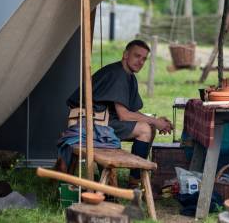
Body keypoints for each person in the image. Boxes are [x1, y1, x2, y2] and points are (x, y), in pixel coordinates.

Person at [67, 39, 173, 185]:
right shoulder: (118, 74)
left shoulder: (128, 75)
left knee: (149, 127)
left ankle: (135, 178)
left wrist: (156, 121)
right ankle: (135, 181)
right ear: (125, 55)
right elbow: (124, 115)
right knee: (144, 129)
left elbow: (131, 111)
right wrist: (155, 121)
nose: (140, 62)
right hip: (89, 124)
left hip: (104, 120)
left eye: (144, 59)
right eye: (137, 56)